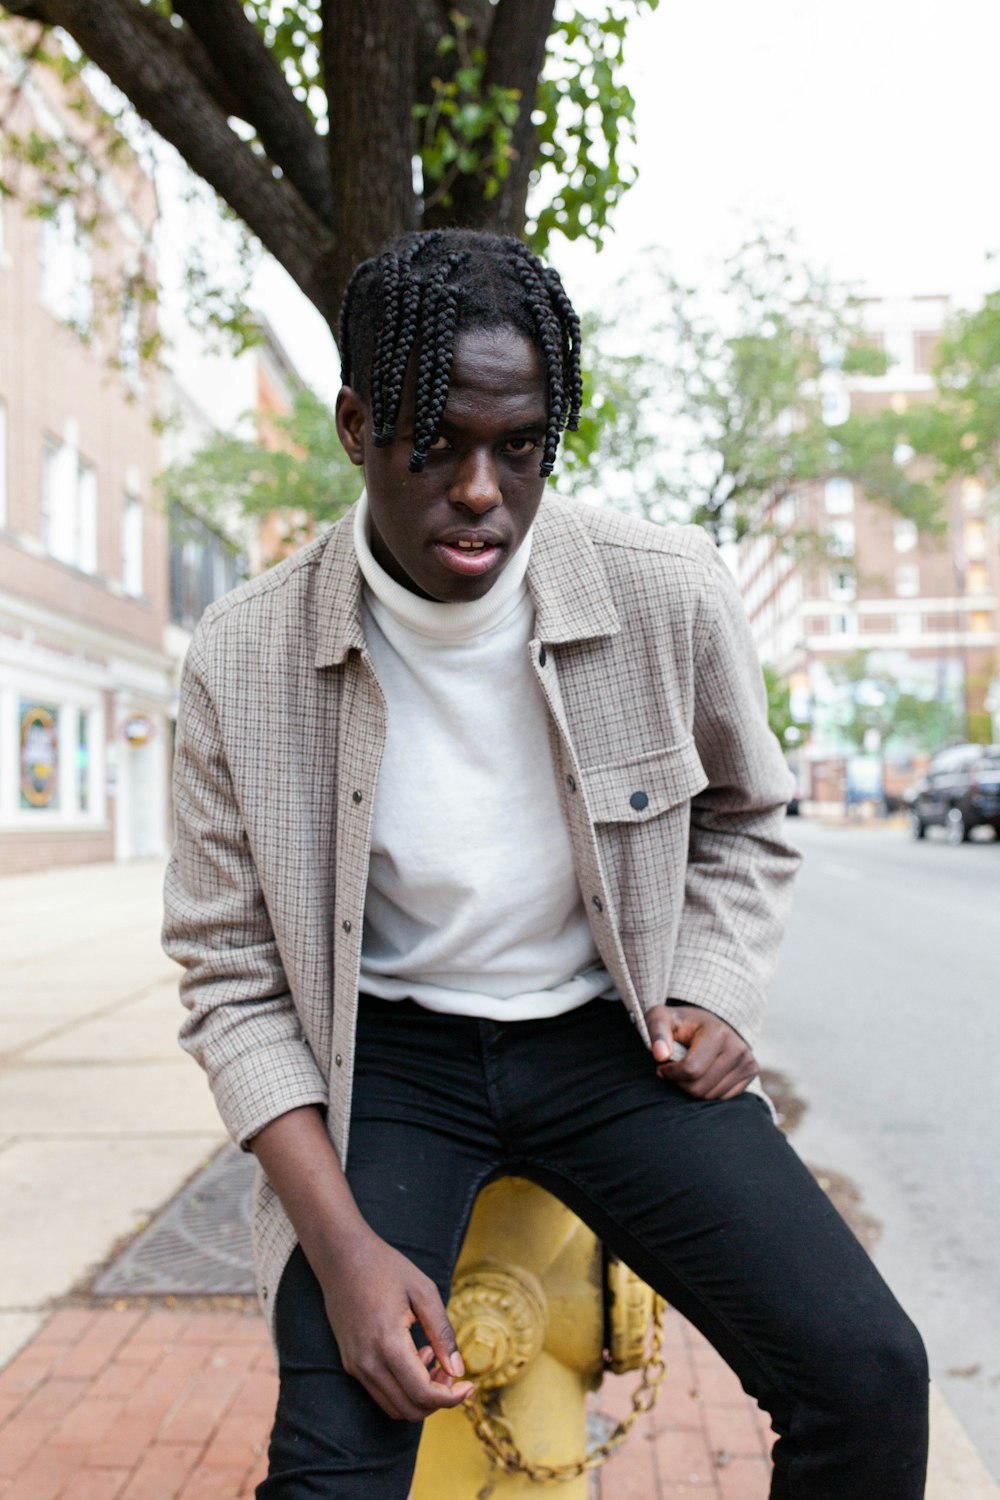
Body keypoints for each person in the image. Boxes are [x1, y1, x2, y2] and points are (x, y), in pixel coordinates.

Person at [163, 229, 928, 1499]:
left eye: (518, 449)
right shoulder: (242, 658)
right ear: (356, 426)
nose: (481, 491)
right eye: (439, 443)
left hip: (606, 1040)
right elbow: (229, 976)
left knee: (868, 1376)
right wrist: (341, 1247)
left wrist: (715, 984)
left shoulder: (664, 590)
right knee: (332, 1467)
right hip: (388, 1058)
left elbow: (749, 813)